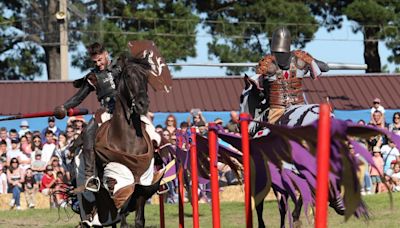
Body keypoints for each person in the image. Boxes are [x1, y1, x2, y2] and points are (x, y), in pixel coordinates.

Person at [53, 42, 160, 193]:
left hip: (129, 109)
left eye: (100, 60)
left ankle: (157, 168)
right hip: (106, 111)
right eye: (95, 62)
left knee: (151, 130)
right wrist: (64, 107)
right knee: (88, 132)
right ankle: (90, 177)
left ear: (106, 54)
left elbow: (137, 70)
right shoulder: (93, 77)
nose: (98, 64)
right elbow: (78, 97)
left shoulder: (121, 66)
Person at [255, 27, 329, 124]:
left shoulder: (266, 64)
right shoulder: (301, 58)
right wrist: (311, 62)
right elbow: (325, 67)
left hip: (277, 110)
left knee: (269, 132)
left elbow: (261, 91)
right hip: (300, 106)